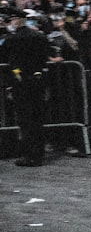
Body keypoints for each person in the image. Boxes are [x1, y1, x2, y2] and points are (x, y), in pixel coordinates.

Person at [4, 9, 59, 166]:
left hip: (21, 82)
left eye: (13, 19)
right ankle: (38, 153)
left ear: (18, 20)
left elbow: (9, 60)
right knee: (37, 119)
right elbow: (47, 56)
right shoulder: (38, 36)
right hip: (37, 79)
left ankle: (29, 155)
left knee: (25, 120)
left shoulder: (12, 39)